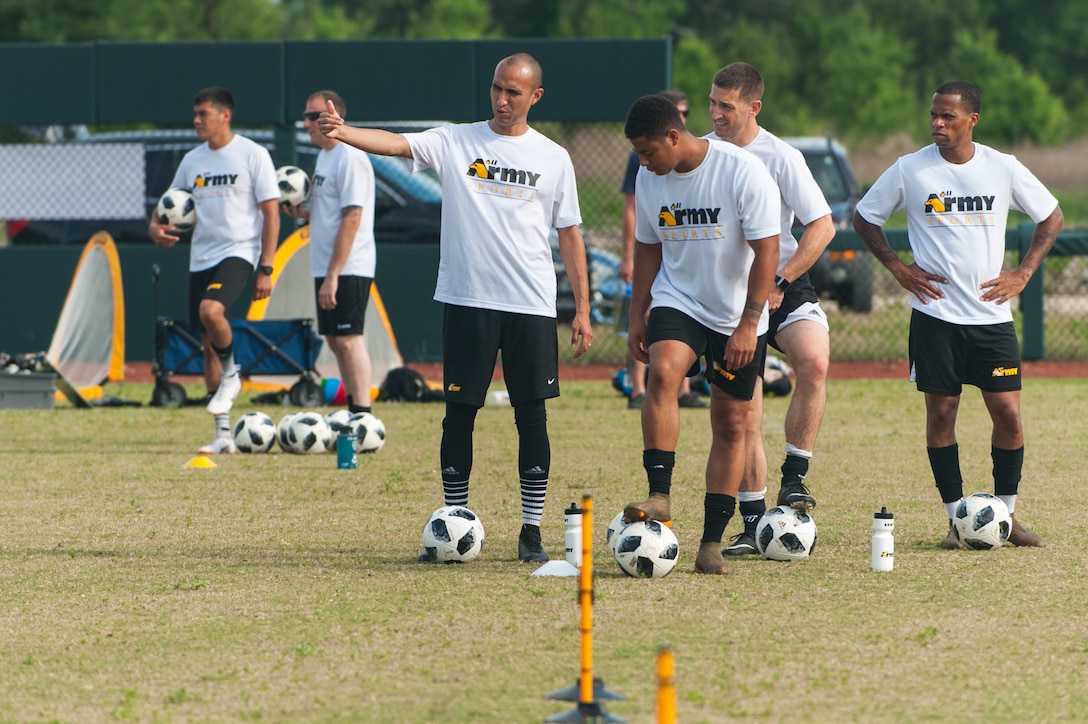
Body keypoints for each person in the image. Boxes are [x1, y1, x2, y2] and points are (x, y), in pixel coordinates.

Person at [317, 53, 593, 562]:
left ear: (536, 97)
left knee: (531, 417)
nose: (502, 99)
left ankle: (531, 530)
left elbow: (570, 234)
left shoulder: (554, 157)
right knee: (458, 415)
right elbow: (397, 145)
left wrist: (582, 307)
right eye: (496, 88)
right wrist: (344, 131)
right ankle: (452, 521)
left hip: (530, 304)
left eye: (514, 91)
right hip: (468, 301)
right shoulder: (456, 139)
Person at [852, 80, 1062, 549]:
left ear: (972, 120)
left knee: (1007, 413)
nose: (937, 124)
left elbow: (1051, 216)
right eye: (933, 116)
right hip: (935, 316)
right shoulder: (910, 169)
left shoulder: (1002, 168)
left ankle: (1003, 518)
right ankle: (955, 519)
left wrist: (1023, 274)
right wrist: (896, 267)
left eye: (948, 117)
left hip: (991, 319)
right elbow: (864, 217)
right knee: (942, 412)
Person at [621, 94, 780, 574]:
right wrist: (637, 315)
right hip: (679, 300)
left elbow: (767, 253)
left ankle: (711, 545)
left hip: (738, 314)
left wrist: (749, 323)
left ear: (674, 136)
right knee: (665, 372)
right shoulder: (651, 178)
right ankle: (660, 494)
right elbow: (647, 249)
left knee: (732, 424)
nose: (644, 164)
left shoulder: (741, 171)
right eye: (638, 155)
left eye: (649, 152)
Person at [704, 63, 836, 556]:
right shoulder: (703, 153)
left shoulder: (781, 156)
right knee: (747, 413)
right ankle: (753, 522)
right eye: (712, 103)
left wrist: (781, 279)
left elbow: (822, 226)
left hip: (783, 284)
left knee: (815, 361)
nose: (715, 114)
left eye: (726, 106)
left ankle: (795, 479)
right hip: (729, 294)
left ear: (754, 108)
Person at [149, 86, 281, 454]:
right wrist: (154, 228)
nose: (196, 120)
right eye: (194, 114)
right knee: (207, 342)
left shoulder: (252, 154)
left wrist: (266, 267)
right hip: (201, 257)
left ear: (225, 115)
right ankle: (223, 434)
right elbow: (166, 205)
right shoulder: (192, 160)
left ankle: (232, 374)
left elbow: (271, 213)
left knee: (212, 311)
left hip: (240, 252)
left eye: (202, 114)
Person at [282, 90, 375, 415]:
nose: (307, 123)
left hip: (347, 266)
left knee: (350, 339)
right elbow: (331, 211)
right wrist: (303, 214)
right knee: (335, 340)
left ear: (336, 117)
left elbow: (352, 217)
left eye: (314, 116)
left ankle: (363, 414)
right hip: (326, 265)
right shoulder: (325, 156)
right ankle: (353, 409)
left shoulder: (350, 156)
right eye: (306, 116)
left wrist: (333, 275)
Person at [619, 90, 706, 411]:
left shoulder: (725, 164)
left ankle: (685, 389)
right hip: (667, 277)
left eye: (686, 111)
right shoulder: (646, 165)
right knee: (654, 339)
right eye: (677, 110)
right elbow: (639, 223)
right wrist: (628, 256)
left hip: (711, 288)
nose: (644, 160)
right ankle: (637, 388)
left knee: (735, 412)